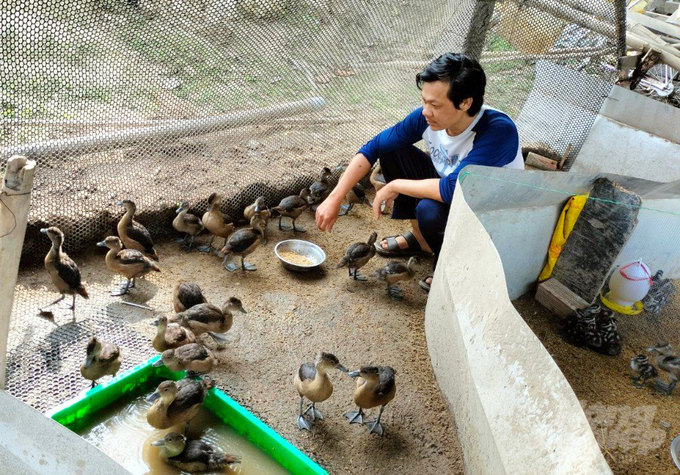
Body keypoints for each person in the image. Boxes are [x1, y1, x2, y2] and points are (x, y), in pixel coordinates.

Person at [315, 52, 524, 291]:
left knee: (430, 210)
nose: (425, 111)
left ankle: (450, 265)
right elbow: (374, 147)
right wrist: (335, 197)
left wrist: (395, 185)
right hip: (453, 190)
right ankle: (422, 240)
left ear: (466, 102)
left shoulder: (498, 131)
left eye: (434, 104)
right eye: (424, 101)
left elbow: (453, 190)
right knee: (392, 152)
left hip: (486, 216)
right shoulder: (428, 117)